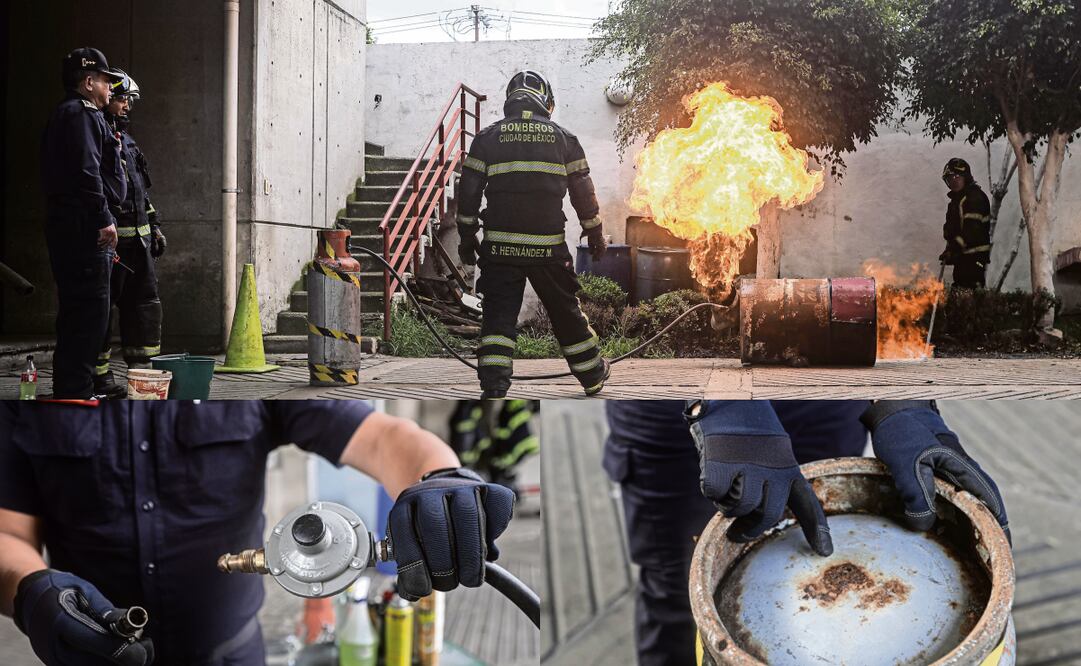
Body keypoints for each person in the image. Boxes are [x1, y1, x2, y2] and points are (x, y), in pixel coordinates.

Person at [0, 401, 515, 665]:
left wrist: (440, 480)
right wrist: (31, 591)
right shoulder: (28, 385)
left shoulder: (245, 362)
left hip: (233, 655)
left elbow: (381, 437)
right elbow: (9, 532)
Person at [603, 400, 1009, 666]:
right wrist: (720, 394)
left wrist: (905, 393)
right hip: (683, 405)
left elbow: (891, 270)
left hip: (819, 391)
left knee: (815, 546)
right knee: (682, 599)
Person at [457, 70, 609, 399]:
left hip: (499, 250)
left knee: (497, 319)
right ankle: (593, 376)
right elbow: (583, 191)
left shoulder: (487, 138)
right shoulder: (564, 139)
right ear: (545, 101)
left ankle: (495, 387)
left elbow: (468, 191)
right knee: (565, 312)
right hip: (547, 249)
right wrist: (595, 233)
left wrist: (467, 238)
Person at [41, 47, 127, 399]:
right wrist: (104, 219)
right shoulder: (81, 115)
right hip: (84, 230)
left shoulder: (73, 115)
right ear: (88, 82)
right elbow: (87, 171)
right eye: (106, 81)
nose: (110, 89)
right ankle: (75, 394)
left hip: (74, 226)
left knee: (81, 313)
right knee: (89, 315)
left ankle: (74, 389)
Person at [94, 70, 166, 398]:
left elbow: (140, 193)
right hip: (112, 247)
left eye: (129, 101)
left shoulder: (128, 142)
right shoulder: (97, 137)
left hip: (140, 244)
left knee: (144, 307)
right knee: (102, 310)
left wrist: (156, 228)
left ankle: (142, 376)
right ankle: (100, 378)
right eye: (123, 99)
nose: (127, 106)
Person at [939, 158, 992, 289]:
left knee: (969, 294)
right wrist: (950, 245)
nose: (953, 181)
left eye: (957, 177)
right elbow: (951, 228)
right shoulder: (956, 201)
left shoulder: (974, 198)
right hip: (962, 257)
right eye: (950, 179)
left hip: (975, 257)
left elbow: (971, 231)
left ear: (966, 177)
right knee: (959, 292)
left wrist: (953, 248)